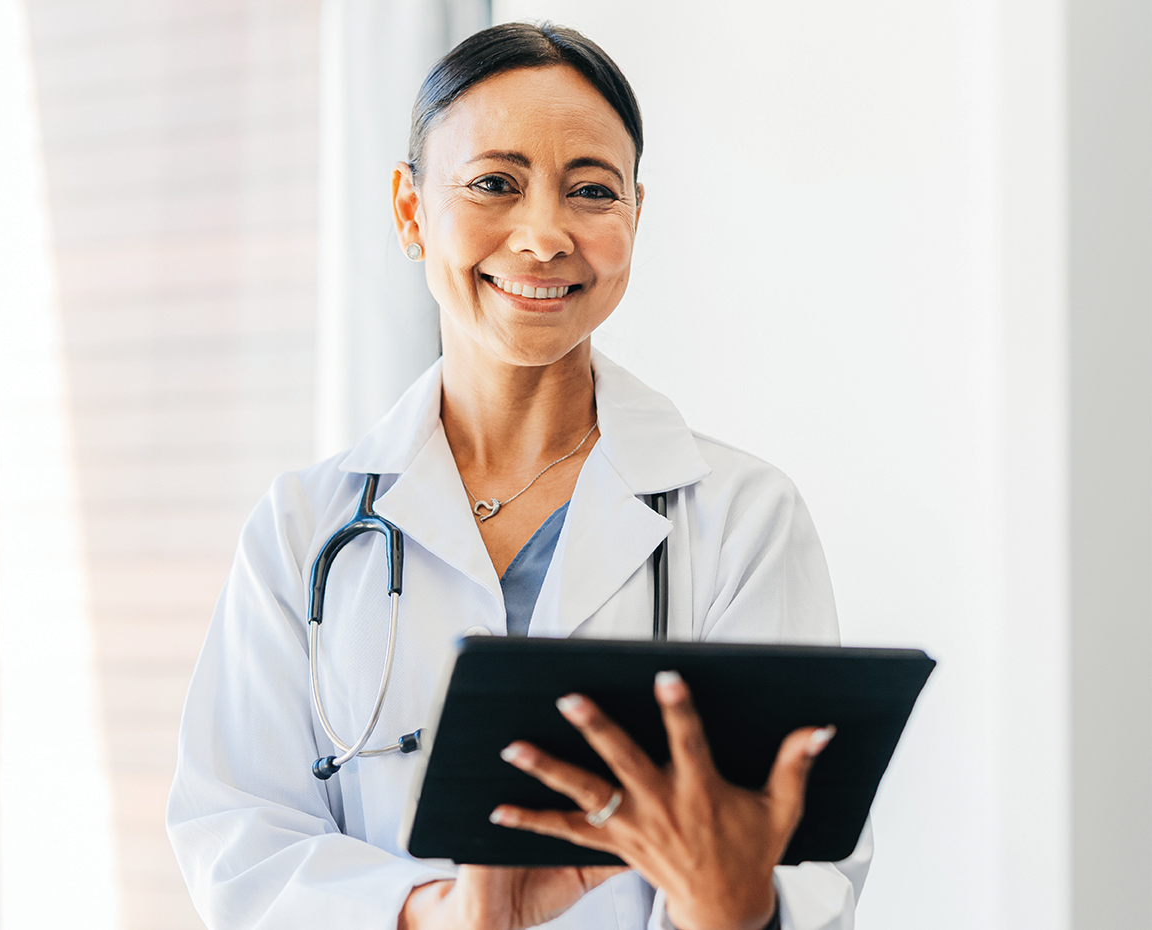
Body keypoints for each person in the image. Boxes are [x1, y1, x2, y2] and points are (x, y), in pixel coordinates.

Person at [167, 22, 870, 930]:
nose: (543, 236)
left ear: (634, 218)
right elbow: (236, 841)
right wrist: (442, 913)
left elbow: (808, 871)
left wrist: (732, 903)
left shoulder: (741, 518)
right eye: (495, 183)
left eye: (591, 191)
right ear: (411, 211)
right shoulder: (303, 529)